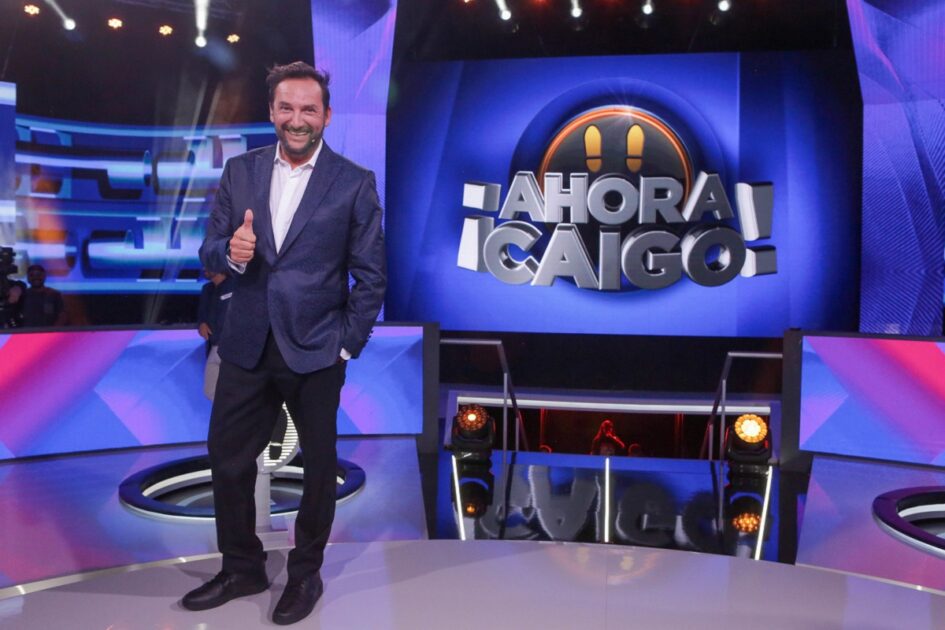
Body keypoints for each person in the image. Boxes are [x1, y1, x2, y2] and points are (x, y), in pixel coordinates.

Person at [183, 61, 386, 625]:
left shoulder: (353, 182)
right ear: (272, 111)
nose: (298, 120)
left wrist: (345, 345)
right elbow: (209, 249)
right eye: (287, 108)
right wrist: (231, 253)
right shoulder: (240, 170)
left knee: (318, 470)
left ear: (326, 115)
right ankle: (241, 567)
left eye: (308, 110)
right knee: (227, 461)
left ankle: (304, 574)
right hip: (245, 343)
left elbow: (371, 277)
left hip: (317, 349)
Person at [197, 269, 234, 400]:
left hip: (233, 348)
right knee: (210, 391)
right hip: (214, 346)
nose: (204, 269)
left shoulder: (236, 285)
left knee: (234, 391)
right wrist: (201, 323)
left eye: (207, 265)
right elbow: (201, 316)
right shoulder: (207, 289)